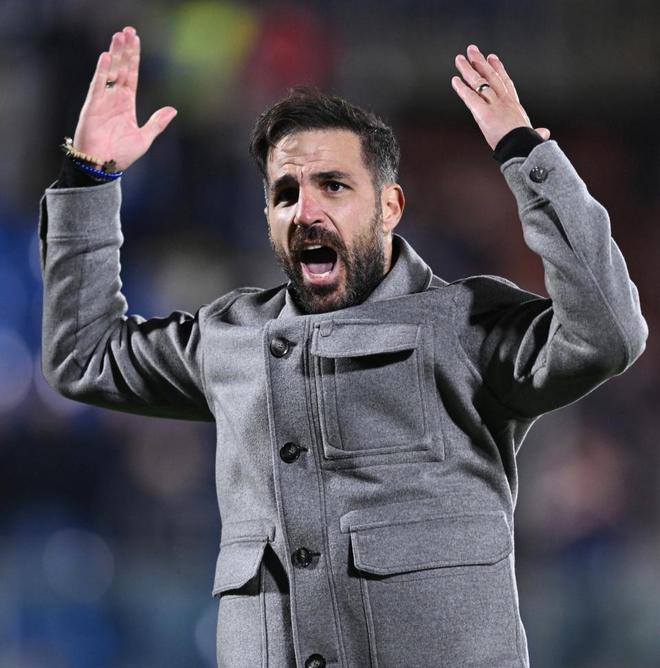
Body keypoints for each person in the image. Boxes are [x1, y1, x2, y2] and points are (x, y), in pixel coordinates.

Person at [40, 26, 647, 668]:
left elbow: (608, 333)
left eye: (333, 185)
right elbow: (83, 355)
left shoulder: (465, 325)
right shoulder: (231, 337)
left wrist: (530, 160)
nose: (305, 210)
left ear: (390, 206)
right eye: (285, 194)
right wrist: (90, 178)